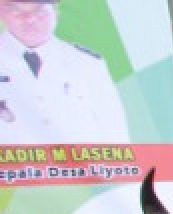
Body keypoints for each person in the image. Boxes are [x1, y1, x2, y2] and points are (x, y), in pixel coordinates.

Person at [0, 0, 129, 144]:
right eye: (17, 11)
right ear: (2, 12)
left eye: (39, 10)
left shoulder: (87, 64)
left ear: (55, 11)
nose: (29, 18)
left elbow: (114, 132)